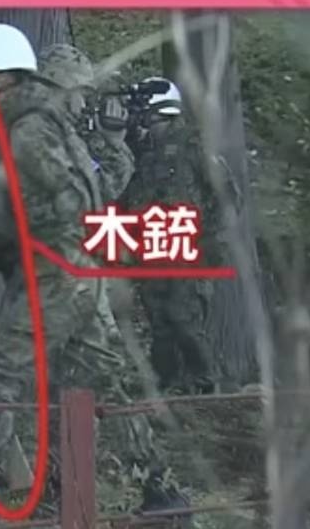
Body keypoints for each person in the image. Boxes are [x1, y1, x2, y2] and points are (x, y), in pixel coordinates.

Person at [0, 37, 191, 528]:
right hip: (77, 277)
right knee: (108, 382)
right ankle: (161, 492)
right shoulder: (34, 123)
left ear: (2, 76)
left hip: (59, 278)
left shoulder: (30, 129)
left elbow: (69, 205)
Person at [118, 79, 220, 394]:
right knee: (159, 322)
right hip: (151, 248)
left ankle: (206, 384)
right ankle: (167, 384)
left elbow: (225, 195)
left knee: (184, 319)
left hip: (185, 247)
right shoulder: (140, 151)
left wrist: (208, 237)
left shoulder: (193, 144)